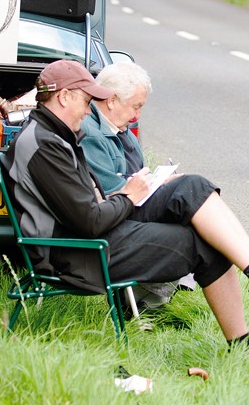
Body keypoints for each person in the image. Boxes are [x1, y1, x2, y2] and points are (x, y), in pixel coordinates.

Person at [1, 59, 249, 350]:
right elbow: (89, 221)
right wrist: (128, 196)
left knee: (194, 189)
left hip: (85, 241)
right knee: (202, 240)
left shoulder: (49, 134)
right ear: (63, 97)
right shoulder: (46, 145)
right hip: (77, 254)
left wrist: (128, 195)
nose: (89, 110)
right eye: (87, 102)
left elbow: (88, 208)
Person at [80, 61, 195, 311]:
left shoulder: (119, 131)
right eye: (136, 106)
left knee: (190, 196)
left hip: (123, 213)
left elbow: (131, 181)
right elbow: (116, 193)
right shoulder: (93, 133)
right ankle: (151, 300)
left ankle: (159, 295)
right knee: (190, 199)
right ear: (111, 100)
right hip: (115, 223)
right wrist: (160, 188)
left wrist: (159, 184)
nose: (137, 115)